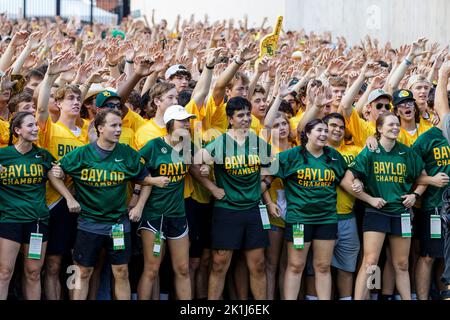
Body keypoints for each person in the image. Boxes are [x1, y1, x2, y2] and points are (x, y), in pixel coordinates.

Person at [49, 109, 166, 300]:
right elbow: (55, 172)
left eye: (120, 125)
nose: (119, 129)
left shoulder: (127, 154)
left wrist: (139, 207)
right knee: (81, 272)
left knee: (121, 272)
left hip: (118, 224)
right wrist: (68, 198)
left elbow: (146, 179)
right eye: (114, 125)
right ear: (100, 128)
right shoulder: (82, 154)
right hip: (88, 223)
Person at [192, 96, 272, 300]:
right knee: (219, 263)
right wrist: (211, 186)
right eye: (240, 115)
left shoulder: (258, 142)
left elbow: (270, 168)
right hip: (227, 210)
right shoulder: (220, 142)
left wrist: (264, 184)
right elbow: (193, 163)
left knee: (258, 264)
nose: (245, 119)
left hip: (254, 209)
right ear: (230, 119)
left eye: (247, 114)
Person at [341, 112, 427, 300]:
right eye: (390, 125)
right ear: (379, 129)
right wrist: (368, 198)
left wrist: (415, 194)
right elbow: (348, 180)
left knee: (402, 263)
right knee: (370, 262)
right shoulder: (371, 151)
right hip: (376, 211)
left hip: (401, 213)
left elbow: (423, 177)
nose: (395, 128)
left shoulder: (406, 152)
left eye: (397, 124)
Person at [0, 112, 77, 300]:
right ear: (17, 130)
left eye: (36, 125)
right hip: (10, 219)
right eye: (30, 126)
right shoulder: (3, 155)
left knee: (33, 273)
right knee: (4, 272)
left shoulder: (42, 155)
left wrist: (69, 198)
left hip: (37, 220)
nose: (35, 129)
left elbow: (55, 178)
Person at [273, 118, 348, 300]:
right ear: (307, 134)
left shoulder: (334, 156)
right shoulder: (290, 156)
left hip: (326, 219)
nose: (323, 134)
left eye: (325, 131)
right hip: (299, 220)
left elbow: (347, 180)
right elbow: (264, 178)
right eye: (319, 131)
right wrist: (269, 203)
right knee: (295, 265)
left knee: (323, 266)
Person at [135, 105, 201, 300]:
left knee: (182, 269)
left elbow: (197, 165)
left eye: (188, 121)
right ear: (170, 124)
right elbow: (136, 172)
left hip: (177, 214)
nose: (187, 124)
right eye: (182, 121)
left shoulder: (188, 146)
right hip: (154, 214)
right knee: (151, 269)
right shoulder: (153, 146)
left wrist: (203, 169)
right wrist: (148, 184)